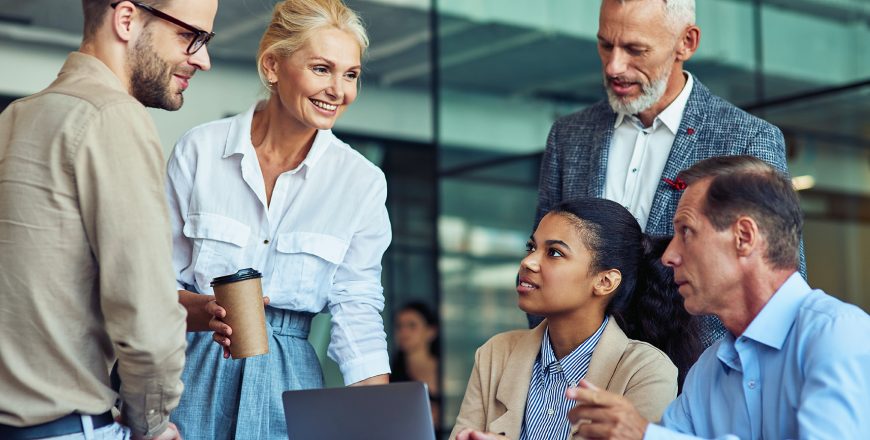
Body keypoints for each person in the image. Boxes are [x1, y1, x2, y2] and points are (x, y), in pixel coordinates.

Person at [165, 0, 391, 438]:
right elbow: (154, 284)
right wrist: (205, 311)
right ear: (272, 66)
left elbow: (356, 309)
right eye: (322, 69)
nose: (338, 90)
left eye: (351, 75)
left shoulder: (361, 181)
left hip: (290, 379)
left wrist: (380, 418)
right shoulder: (200, 150)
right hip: (192, 364)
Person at [0, 0, 217, 439]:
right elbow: (146, 317)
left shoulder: (15, 118)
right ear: (126, 19)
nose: (203, 59)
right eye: (189, 36)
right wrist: (152, 424)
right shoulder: (114, 116)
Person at [532, 0, 803, 343]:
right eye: (605, 45)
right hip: (578, 374)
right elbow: (542, 258)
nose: (614, 66)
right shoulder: (569, 136)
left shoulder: (746, 138)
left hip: (698, 374)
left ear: (686, 42)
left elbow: (776, 282)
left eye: (635, 49)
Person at [566, 155, 870, 440]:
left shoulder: (839, 335)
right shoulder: (708, 370)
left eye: (686, 232)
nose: (669, 255)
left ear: (744, 238)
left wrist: (647, 435)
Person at [451, 198, 703, 440]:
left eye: (554, 253)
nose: (528, 262)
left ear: (605, 282)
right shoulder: (496, 353)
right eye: (531, 247)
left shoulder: (646, 369)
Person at [391, 302, 441, 429]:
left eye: (412, 326)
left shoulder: (448, 369)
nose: (404, 331)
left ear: (431, 331)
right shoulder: (389, 374)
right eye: (399, 326)